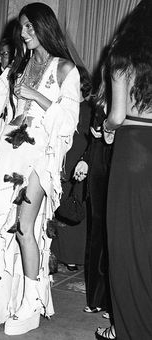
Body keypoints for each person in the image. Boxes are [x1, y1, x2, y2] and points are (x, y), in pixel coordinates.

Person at [0, 2, 80, 336]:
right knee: (0, 227)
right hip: (9, 154)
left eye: (30, 27)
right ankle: (1, 302)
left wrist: (36, 96)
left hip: (40, 158)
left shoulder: (64, 69)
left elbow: (68, 122)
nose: (24, 33)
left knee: (24, 226)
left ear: (44, 27)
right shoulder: (17, 65)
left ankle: (30, 304)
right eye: (23, 28)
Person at [94, 0, 152, 339]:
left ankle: (129, 329)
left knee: (127, 242)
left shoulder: (123, 55)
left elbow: (116, 114)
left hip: (133, 151)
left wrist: (109, 129)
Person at [50, 65, 92, 272]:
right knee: (56, 210)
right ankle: (56, 254)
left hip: (79, 167)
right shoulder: (63, 106)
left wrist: (84, 162)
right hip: (59, 162)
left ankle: (74, 256)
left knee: (73, 209)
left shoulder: (91, 110)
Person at [74, 105, 112, 318]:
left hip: (120, 167)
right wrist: (85, 160)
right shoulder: (99, 105)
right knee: (96, 235)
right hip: (98, 169)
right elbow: (94, 140)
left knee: (115, 238)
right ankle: (96, 298)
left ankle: (112, 301)